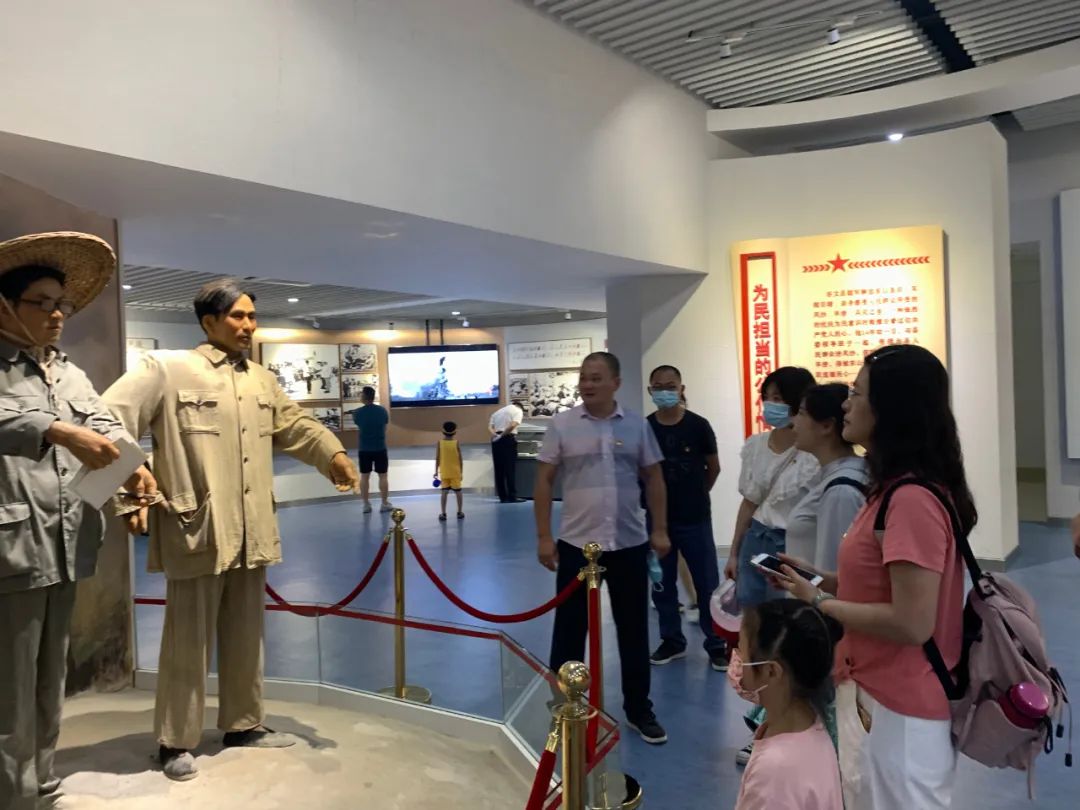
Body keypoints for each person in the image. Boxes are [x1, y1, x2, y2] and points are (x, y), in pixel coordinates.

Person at [102, 279, 360, 782]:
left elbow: (294, 425)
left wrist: (332, 453)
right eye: (238, 316)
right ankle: (174, 739)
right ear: (209, 321)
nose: (248, 325)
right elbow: (106, 421)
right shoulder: (166, 369)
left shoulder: (261, 379)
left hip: (251, 527)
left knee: (247, 631)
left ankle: (244, 723)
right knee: (187, 638)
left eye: (252, 316)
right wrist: (129, 493)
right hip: (196, 525)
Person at [0, 232, 157, 810]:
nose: (57, 314)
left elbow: (103, 422)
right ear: (5, 307)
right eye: (41, 302)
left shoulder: (66, 371)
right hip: (12, 549)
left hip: (65, 544)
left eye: (61, 303)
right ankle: (11, 795)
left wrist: (133, 467)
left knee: (49, 679)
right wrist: (54, 429)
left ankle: (40, 782)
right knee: (9, 687)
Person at [778, 345, 973, 809]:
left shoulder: (910, 499)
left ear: (891, 408)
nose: (846, 405)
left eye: (857, 393)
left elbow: (912, 622)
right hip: (875, 695)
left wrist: (819, 602)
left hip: (899, 707)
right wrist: (822, 580)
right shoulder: (889, 490)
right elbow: (882, 586)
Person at [535, 351, 672, 744]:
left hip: (628, 542)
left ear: (616, 382)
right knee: (568, 629)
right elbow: (544, 480)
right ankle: (564, 703)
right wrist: (544, 536)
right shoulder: (562, 425)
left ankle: (639, 709)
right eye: (584, 377)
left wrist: (660, 529)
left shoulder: (636, 425)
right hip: (577, 544)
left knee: (633, 629)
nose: (588, 384)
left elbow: (654, 477)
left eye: (596, 378)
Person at [642, 365, 727, 672]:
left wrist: (697, 493)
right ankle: (672, 641)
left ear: (681, 389)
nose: (665, 391)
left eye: (671, 386)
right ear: (650, 391)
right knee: (662, 584)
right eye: (658, 386)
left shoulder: (698, 426)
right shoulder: (645, 428)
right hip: (657, 521)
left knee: (707, 584)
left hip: (695, 519)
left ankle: (716, 644)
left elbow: (713, 468)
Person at [731, 599, 844, 810]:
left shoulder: (774, 772)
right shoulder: (812, 725)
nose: (736, 658)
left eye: (741, 652)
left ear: (771, 671)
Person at [724, 366, 819, 608]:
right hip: (755, 538)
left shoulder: (813, 452)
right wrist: (733, 552)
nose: (769, 405)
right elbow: (749, 503)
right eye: (766, 397)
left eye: (777, 398)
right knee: (750, 608)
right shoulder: (756, 446)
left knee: (790, 611)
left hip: (794, 545)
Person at [786, 384, 869, 571]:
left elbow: (836, 571)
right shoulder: (835, 476)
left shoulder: (840, 490)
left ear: (826, 426)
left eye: (801, 413)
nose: (793, 422)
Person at [352, 385, 393, 514]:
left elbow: (359, 425)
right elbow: (384, 427)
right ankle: (384, 503)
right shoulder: (382, 411)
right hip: (380, 448)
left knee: (364, 476)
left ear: (364, 396)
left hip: (364, 449)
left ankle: (366, 505)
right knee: (383, 476)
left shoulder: (357, 413)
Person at [489, 399, 525, 503]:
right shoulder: (518, 410)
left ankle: (503, 497)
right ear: (520, 406)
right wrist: (502, 435)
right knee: (510, 469)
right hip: (507, 439)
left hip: (495, 440)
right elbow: (513, 425)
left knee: (498, 469)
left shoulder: (497, 412)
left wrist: (496, 435)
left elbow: (490, 427)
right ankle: (512, 496)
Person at [436, 421, 465, 521]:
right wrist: (461, 472)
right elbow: (460, 459)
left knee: (444, 492)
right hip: (455, 472)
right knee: (458, 492)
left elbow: (437, 458)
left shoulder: (440, 442)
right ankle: (459, 512)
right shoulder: (456, 442)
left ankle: (443, 513)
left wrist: (436, 471)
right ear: (454, 432)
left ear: (443, 431)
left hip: (444, 471)